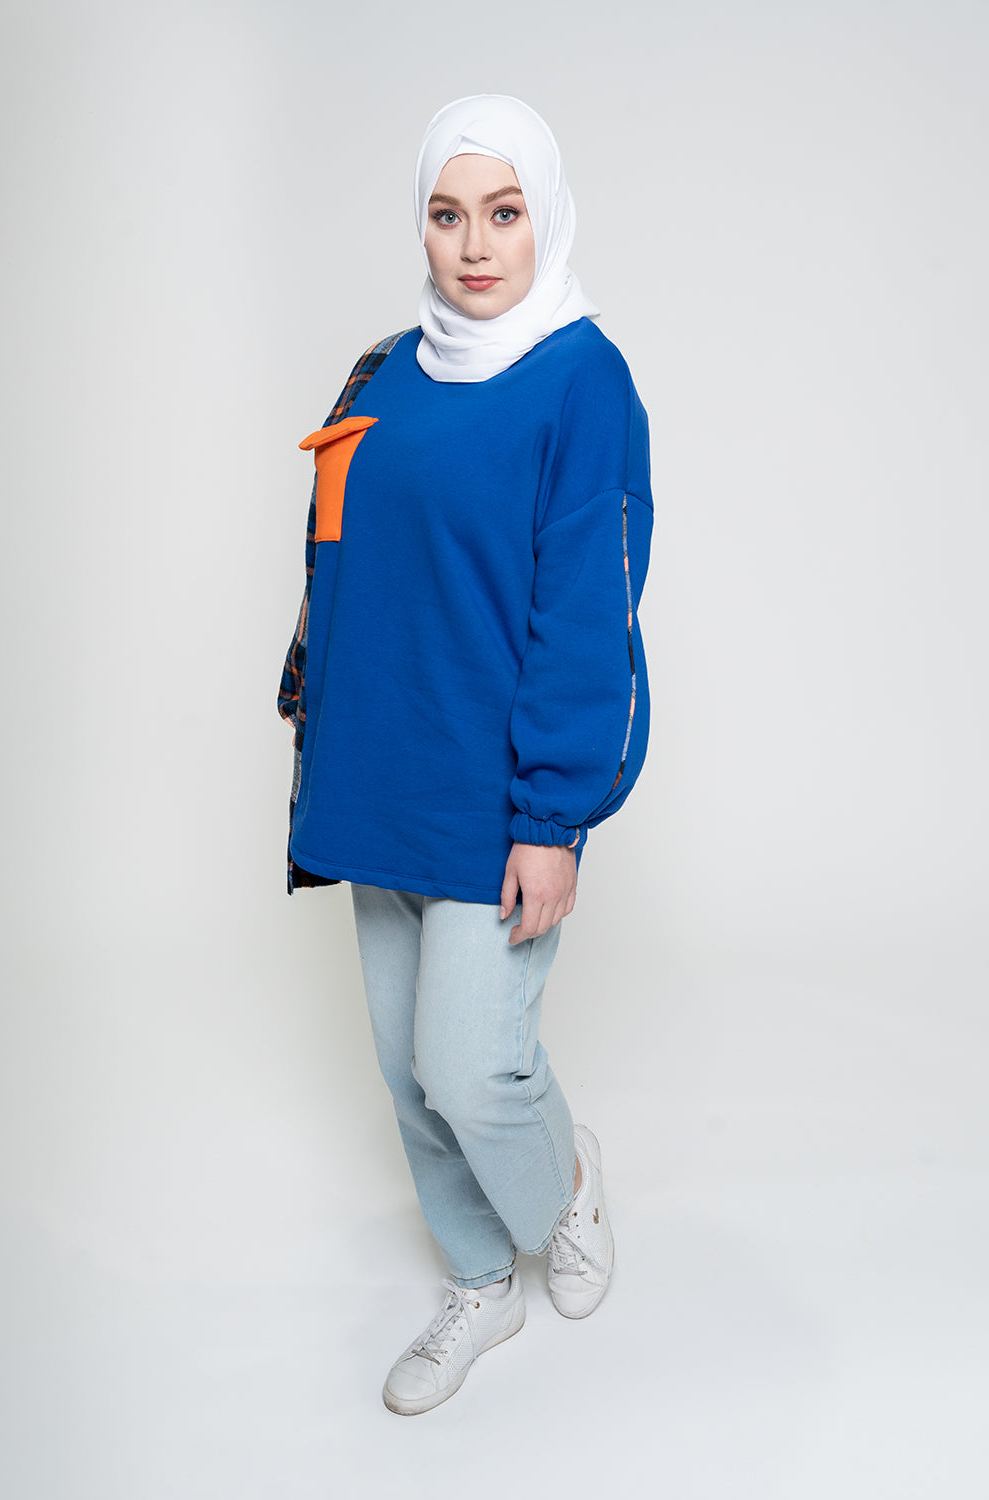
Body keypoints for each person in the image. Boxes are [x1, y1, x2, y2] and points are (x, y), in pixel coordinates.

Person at [278, 94, 652, 1416]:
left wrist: (551, 819)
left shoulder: (582, 376)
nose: (475, 245)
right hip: (376, 766)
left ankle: (569, 1187)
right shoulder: (385, 367)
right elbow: (337, 561)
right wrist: (310, 723)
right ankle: (481, 1276)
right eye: (448, 215)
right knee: (404, 1070)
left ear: (546, 218)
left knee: (472, 1067)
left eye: (504, 213)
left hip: (496, 793)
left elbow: (585, 609)